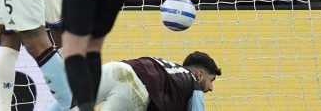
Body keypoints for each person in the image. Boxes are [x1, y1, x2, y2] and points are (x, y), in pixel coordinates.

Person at [76, 51, 221, 111]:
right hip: (136, 89)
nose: (211, 87)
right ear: (199, 74)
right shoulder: (195, 85)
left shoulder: (169, 69)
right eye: (211, 80)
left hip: (118, 68)